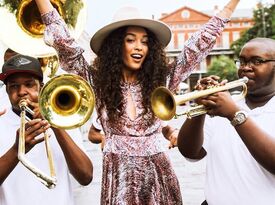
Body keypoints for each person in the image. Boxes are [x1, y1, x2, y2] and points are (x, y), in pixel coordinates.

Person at [34, 0, 240, 203]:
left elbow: (197, 46)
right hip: (119, 178)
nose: (139, 47)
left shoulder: (163, 80)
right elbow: (64, 44)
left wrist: (231, 5)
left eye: (145, 41)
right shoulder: (97, 82)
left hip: (159, 178)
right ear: (116, 45)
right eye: (130, 40)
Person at [177, 37, 275, 205]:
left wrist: (235, 115)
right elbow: (191, 152)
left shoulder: (229, 108)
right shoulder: (227, 103)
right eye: (242, 62)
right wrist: (200, 108)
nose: (245, 68)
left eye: (256, 61)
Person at [0, 54, 93, 205]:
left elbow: (86, 176)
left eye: (29, 84)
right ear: (7, 91)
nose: (22, 91)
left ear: (41, 87)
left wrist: (54, 123)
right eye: (14, 86)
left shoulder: (64, 119)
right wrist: (17, 149)